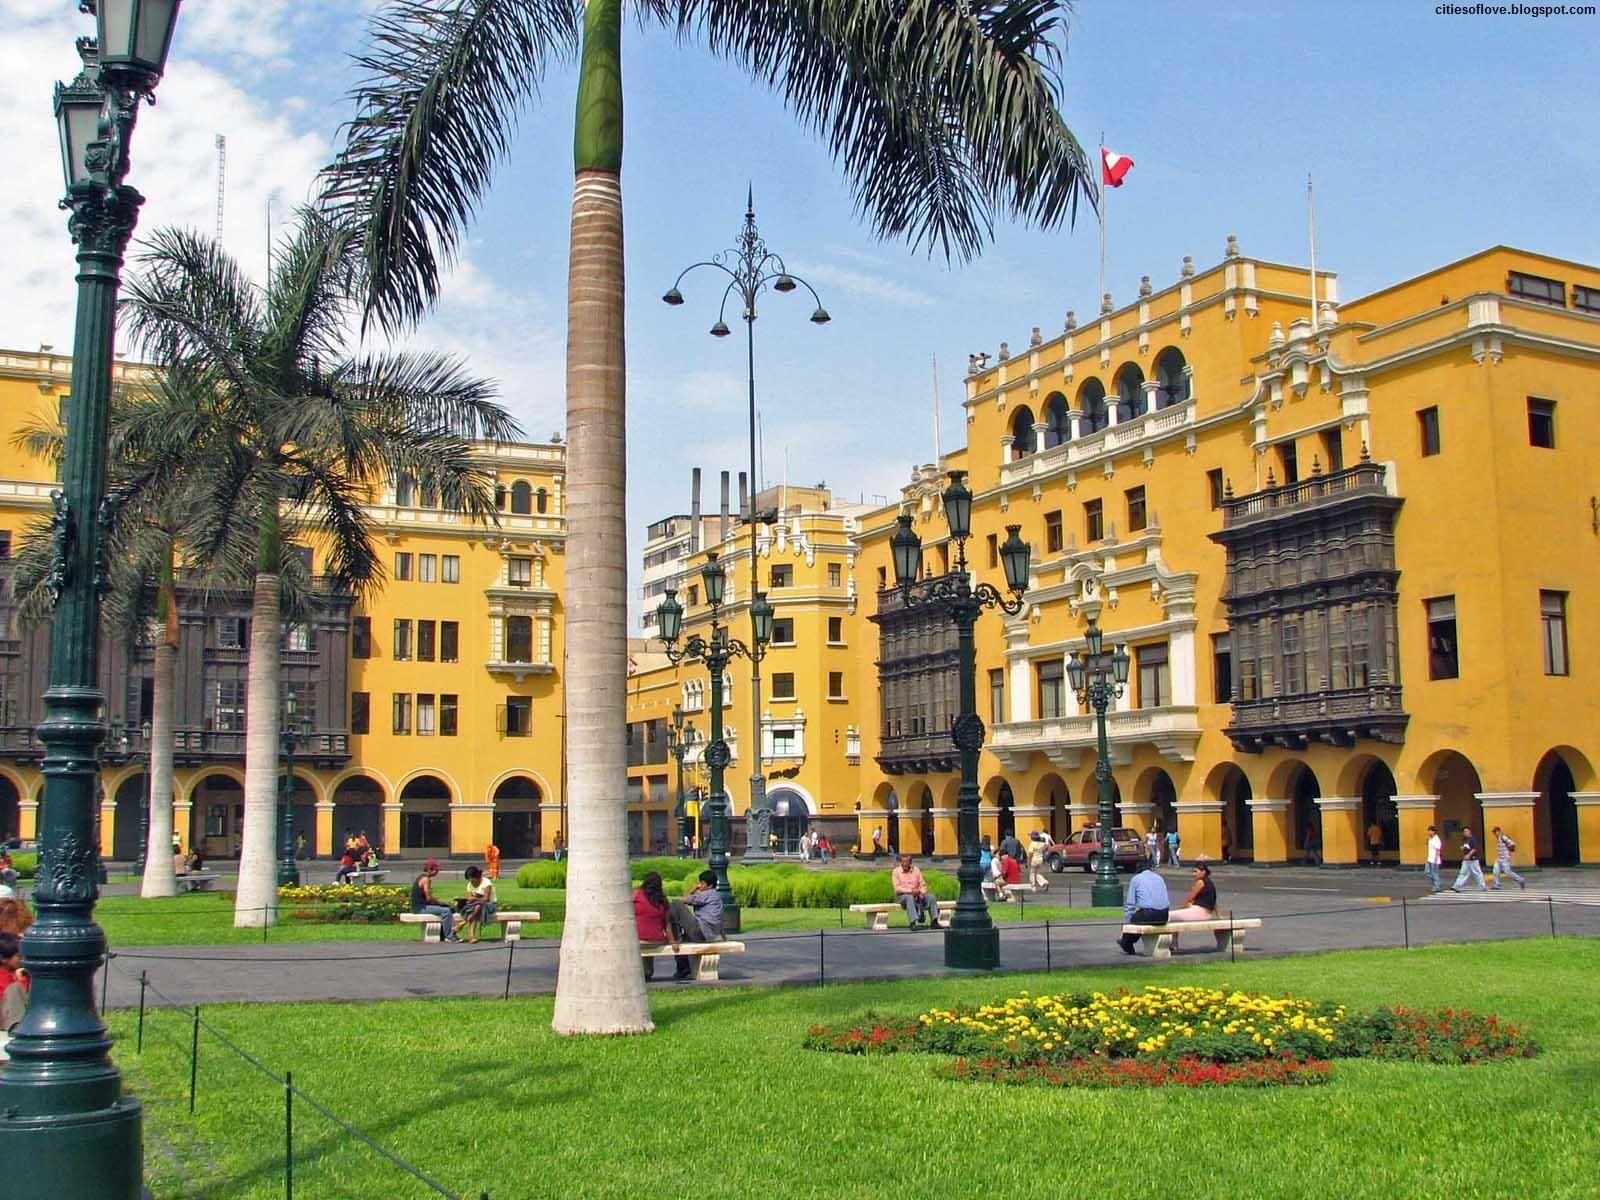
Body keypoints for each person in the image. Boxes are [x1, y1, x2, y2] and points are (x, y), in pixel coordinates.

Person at [668, 870, 725, 981]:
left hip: (700, 930)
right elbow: (721, 920)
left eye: (702, 883)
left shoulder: (706, 894)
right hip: (708, 934)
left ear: (710, 885)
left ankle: (675, 934)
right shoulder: (717, 896)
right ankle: (683, 969)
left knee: (676, 904)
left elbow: (684, 899)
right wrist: (724, 936)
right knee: (683, 941)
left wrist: (693, 888)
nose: (700, 885)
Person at [634, 871, 683, 980]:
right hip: (656, 940)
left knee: (641, 941)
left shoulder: (637, 894)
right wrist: (673, 942)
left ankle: (645, 972)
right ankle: (648, 971)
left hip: (638, 939)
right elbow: (667, 925)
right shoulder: (662, 900)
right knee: (650, 942)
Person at [1118, 863, 1172, 955]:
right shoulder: (1159, 878)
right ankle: (1126, 940)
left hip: (1149, 914)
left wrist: (1127, 925)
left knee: (1135, 919)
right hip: (1164, 915)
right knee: (1140, 917)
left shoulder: (1136, 879)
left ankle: (1126, 942)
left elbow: (1130, 904)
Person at [410, 858, 458, 942]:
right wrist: (440, 902)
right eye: (437, 870)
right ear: (431, 869)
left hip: (421, 906)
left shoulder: (422, 877)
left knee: (450, 909)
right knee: (446, 911)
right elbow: (429, 898)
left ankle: (444, 934)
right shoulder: (426, 879)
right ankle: (450, 936)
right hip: (421, 908)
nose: (438, 872)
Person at [891, 854, 940, 928]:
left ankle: (934, 921)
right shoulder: (896, 871)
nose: (904, 864)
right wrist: (911, 891)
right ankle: (913, 923)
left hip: (917, 894)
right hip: (902, 896)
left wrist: (922, 893)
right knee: (909, 897)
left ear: (910, 863)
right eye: (902, 862)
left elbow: (923, 884)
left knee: (931, 897)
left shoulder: (916, 870)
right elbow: (897, 889)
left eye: (906, 862)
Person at [456, 865, 498, 943]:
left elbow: (486, 899)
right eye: (469, 879)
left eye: (472, 878)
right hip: (475, 906)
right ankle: (471, 936)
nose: (471, 880)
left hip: (490, 904)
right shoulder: (469, 885)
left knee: (478, 907)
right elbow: (469, 898)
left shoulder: (486, 883)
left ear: (477, 876)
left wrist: (474, 898)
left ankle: (463, 924)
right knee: (476, 908)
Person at [1450, 828, 1489, 893]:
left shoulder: (1473, 839)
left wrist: (1469, 855)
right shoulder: (1465, 840)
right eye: (1464, 832)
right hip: (1466, 860)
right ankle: (1456, 886)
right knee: (1463, 873)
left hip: (1473, 859)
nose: (1465, 833)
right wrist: (1463, 849)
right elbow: (1465, 847)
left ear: (1470, 832)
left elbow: (1474, 849)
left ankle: (1483, 886)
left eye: (1466, 831)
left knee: (1477, 873)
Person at [1490, 826, 1527, 891]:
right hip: (1499, 858)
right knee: (1495, 871)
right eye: (1494, 832)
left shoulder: (1503, 837)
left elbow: (1512, 844)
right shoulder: (1499, 838)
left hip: (1505, 858)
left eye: (1495, 832)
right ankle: (1497, 884)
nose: (1494, 834)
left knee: (1508, 872)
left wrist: (1509, 849)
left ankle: (1521, 880)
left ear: (1499, 831)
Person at [1424, 825, 1444, 892]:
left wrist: (1435, 859)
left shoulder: (1437, 839)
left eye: (1430, 831)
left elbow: (1438, 850)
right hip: (1429, 858)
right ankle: (1437, 883)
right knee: (1427, 872)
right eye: (1429, 831)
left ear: (1434, 832)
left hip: (1434, 860)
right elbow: (1427, 845)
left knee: (1434, 873)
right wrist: (1427, 840)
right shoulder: (1430, 838)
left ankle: (1436, 886)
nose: (1429, 832)